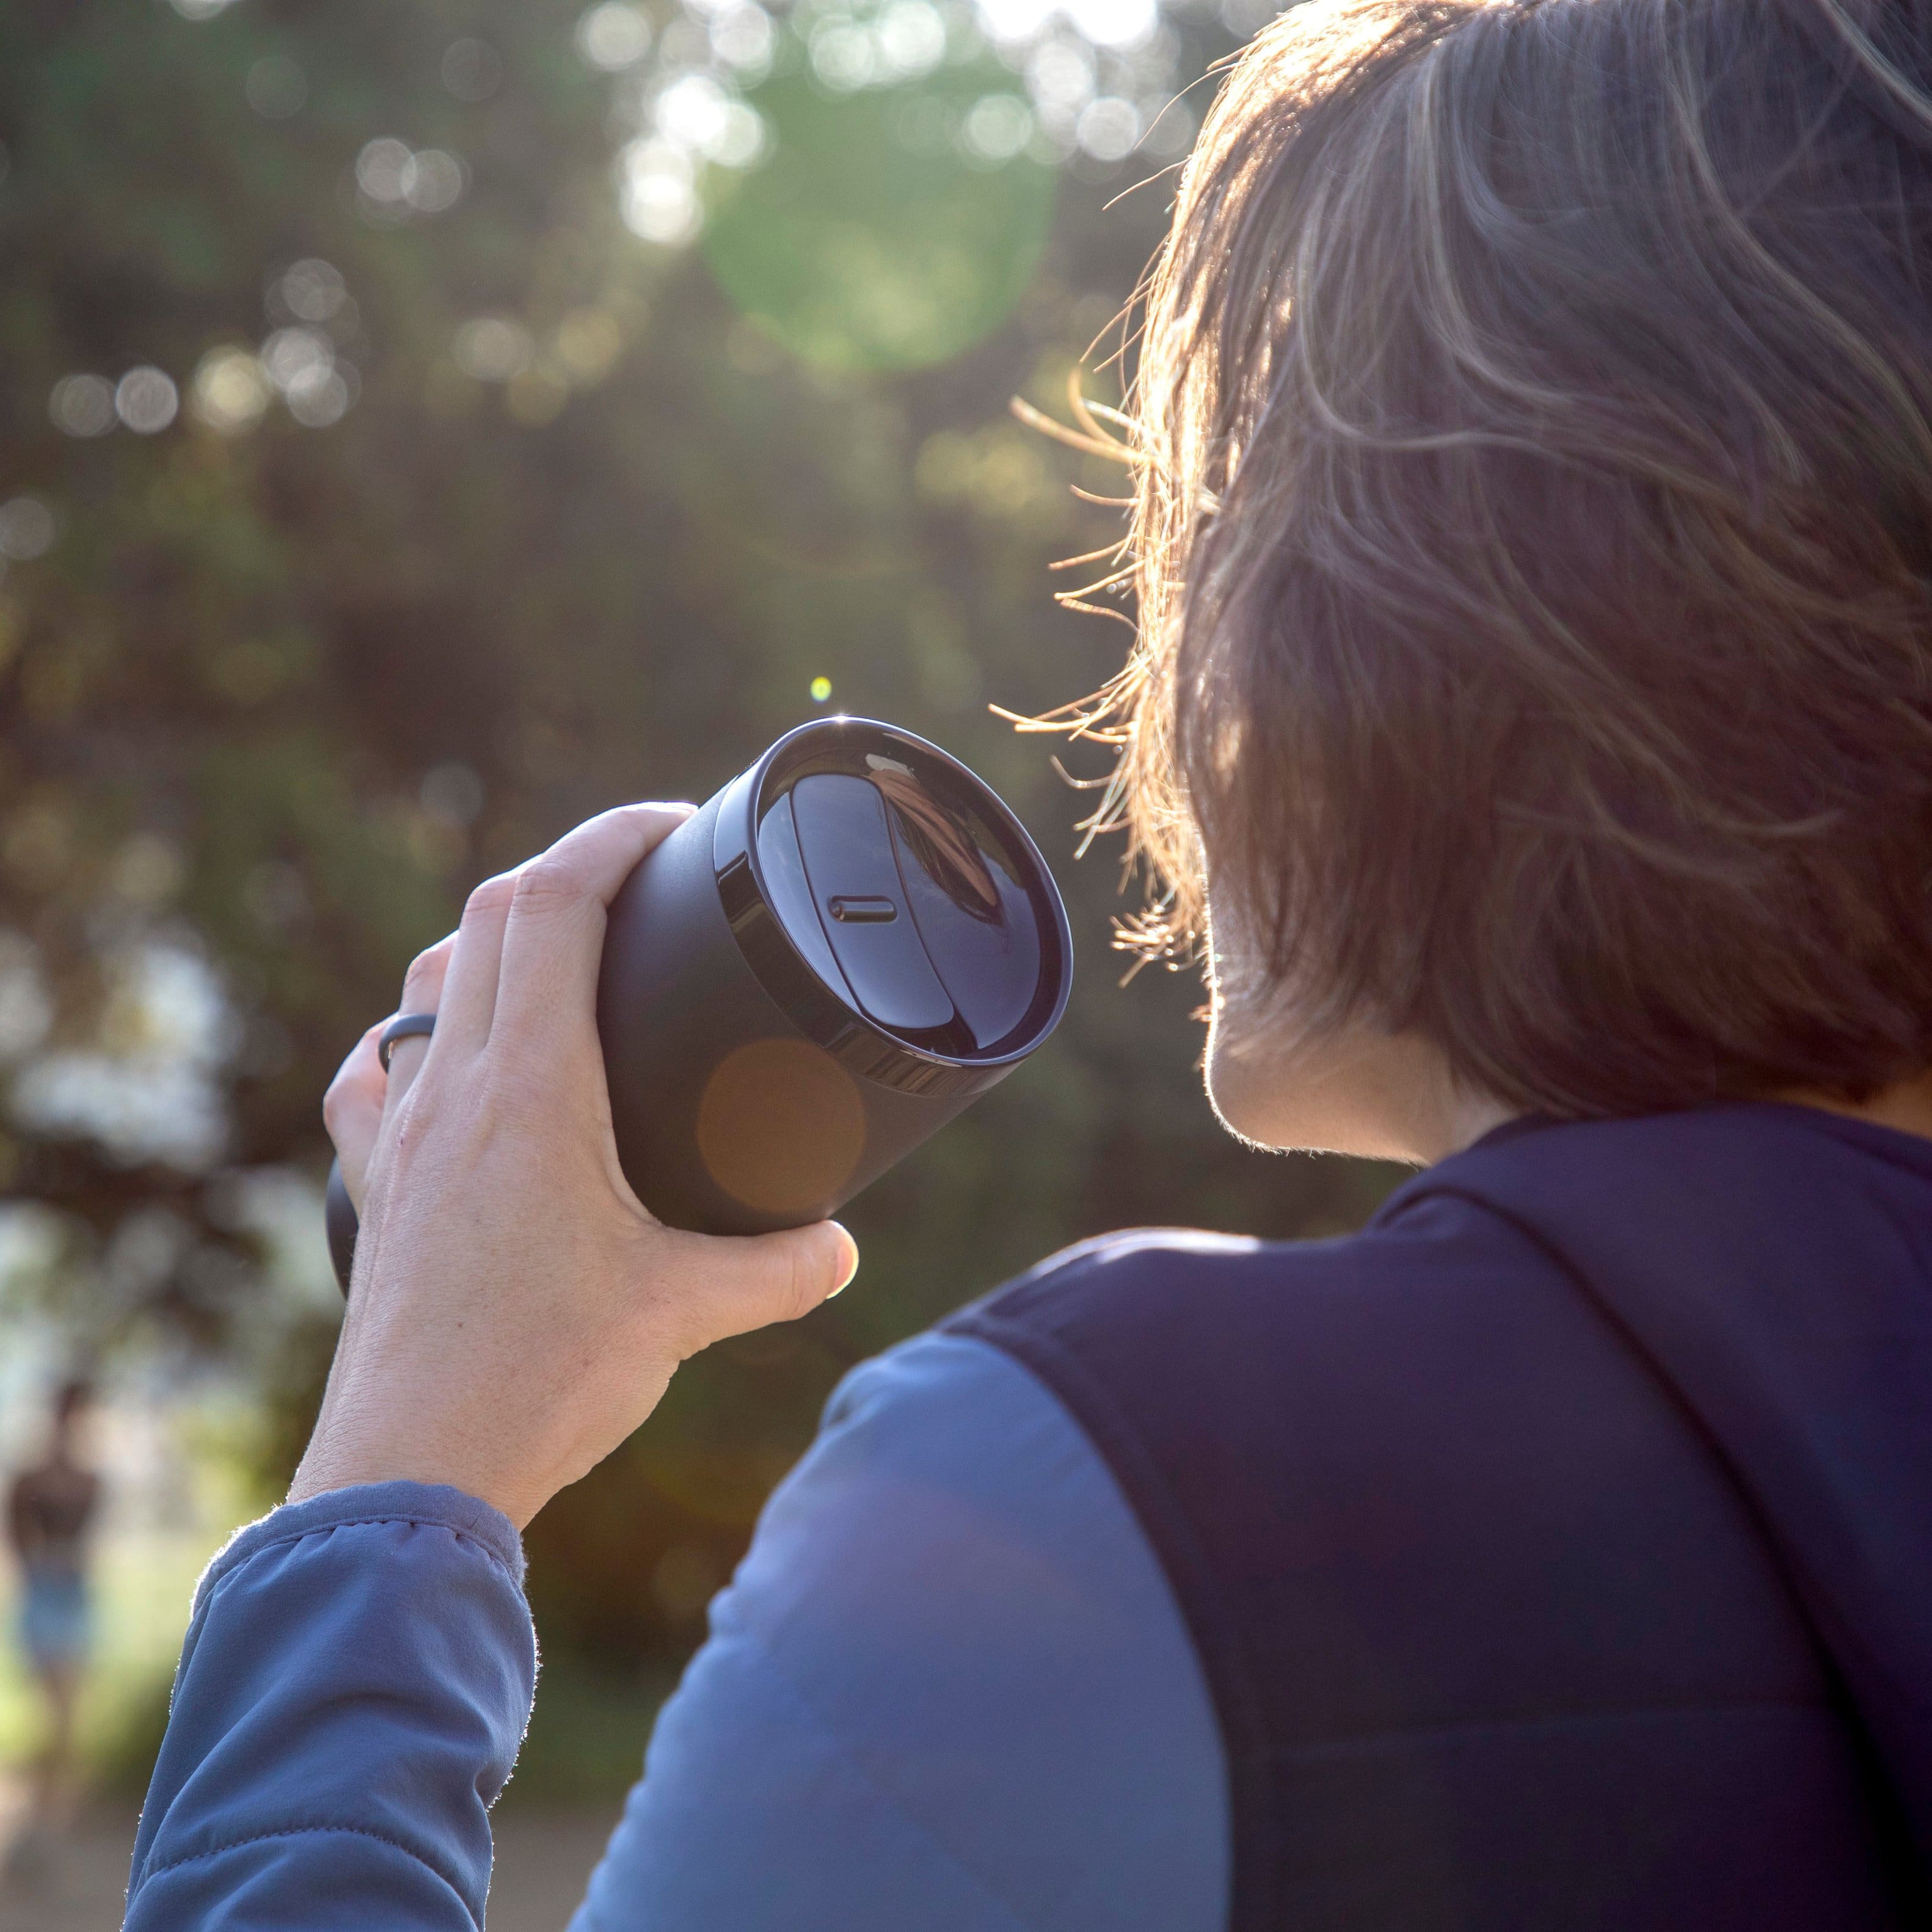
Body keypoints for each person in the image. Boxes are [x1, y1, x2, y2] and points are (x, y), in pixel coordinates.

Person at [122, 0, 1932, 1925]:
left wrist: (400, 1469)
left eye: (1212, 525)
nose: (1156, 669)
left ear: (1425, 613)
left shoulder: (1114, 1490)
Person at [5, 1379, 100, 1879]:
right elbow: (17, 1541)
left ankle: (51, 1819)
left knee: (67, 1716)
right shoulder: (28, 1478)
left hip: (75, 1599)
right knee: (56, 1713)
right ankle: (45, 1818)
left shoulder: (92, 1479)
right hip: (45, 1598)